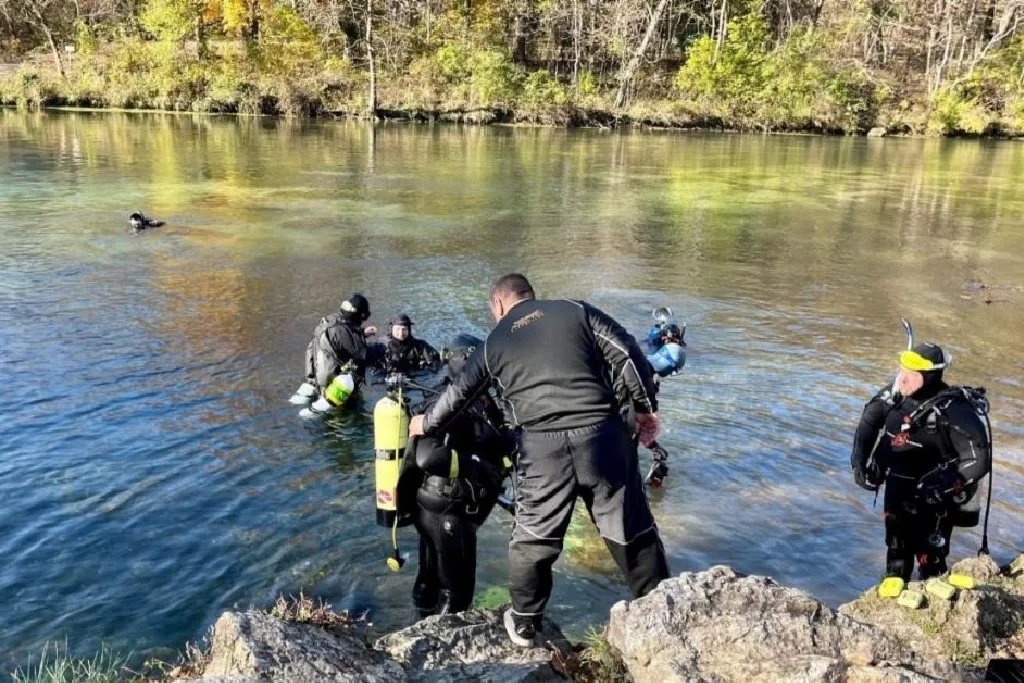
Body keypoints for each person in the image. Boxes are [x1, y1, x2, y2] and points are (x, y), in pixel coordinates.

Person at [409, 273, 670, 648]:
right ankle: (660, 605)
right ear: (531, 295)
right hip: (602, 436)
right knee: (630, 527)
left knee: (534, 538)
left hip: (542, 447)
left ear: (498, 305)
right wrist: (645, 410)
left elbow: (459, 394)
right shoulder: (574, 310)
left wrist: (426, 422)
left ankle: (526, 623)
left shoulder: (495, 340)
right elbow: (627, 352)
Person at [850, 341, 992, 582]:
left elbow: (979, 458)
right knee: (896, 551)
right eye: (901, 369)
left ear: (931, 375)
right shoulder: (895, 394)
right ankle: (892, 599)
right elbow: (869, 422)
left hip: (935, 498)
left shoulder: (954, 409)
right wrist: (859, 461)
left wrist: (947, 485)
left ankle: (932, 597)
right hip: (897, 488)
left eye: (912, 373)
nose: (902, 378)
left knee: (931, 558)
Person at [396, 334, 515, 617]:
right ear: (465, 361)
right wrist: (479, 466)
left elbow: (495, 435)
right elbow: (428, 455)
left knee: (430, 577)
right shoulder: (444, 399)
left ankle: (418, 629)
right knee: (457, 591)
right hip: (448, 509)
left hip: (437, 506)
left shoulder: (477, 396)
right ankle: (448, 649)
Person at [290, 294, 383, 412]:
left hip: (316, 374)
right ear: (359, 314)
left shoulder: (331, 320)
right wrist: (382, 347)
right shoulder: (342, 330)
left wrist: (362, 333)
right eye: (364, 317)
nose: (363, 320)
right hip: (333, 386)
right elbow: (362, 354)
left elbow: (339, 341)